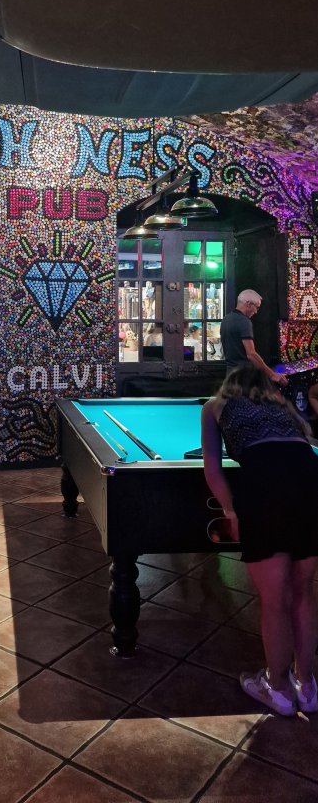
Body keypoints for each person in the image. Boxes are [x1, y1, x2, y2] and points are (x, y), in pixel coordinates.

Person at [201, 364, 318, 716]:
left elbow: (213, 469)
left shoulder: (215, 405)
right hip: (309, 483)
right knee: (304, 593)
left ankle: (278, 689)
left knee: (274, 600)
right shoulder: (282, 406)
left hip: (264, 486)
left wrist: (230, 510)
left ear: (229, 385)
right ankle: (308, 688)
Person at [220, 289, 288, 387]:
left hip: (230, 375)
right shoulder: (244, 322)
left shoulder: (226, 319)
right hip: (243, 377)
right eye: (256, 307)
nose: (256, 312)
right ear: (248, 304)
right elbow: (251, 354)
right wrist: (272, 374)